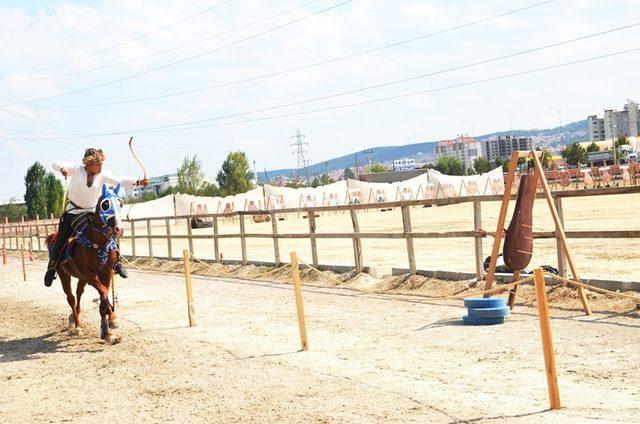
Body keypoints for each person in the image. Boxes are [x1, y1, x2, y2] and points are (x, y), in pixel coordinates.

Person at [44, 148, 148, 287]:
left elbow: (119, 180)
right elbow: (55, 163)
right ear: (89, 164)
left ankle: (116, 262)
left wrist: (138, 182)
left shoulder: (102, 174)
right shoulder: (76, 169)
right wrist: (63, 168)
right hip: (73, 212)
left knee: (108, 232)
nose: (101, 167)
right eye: (98, 165)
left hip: (92, 212)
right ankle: (51, 268)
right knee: (61, 240)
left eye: (101, 164)